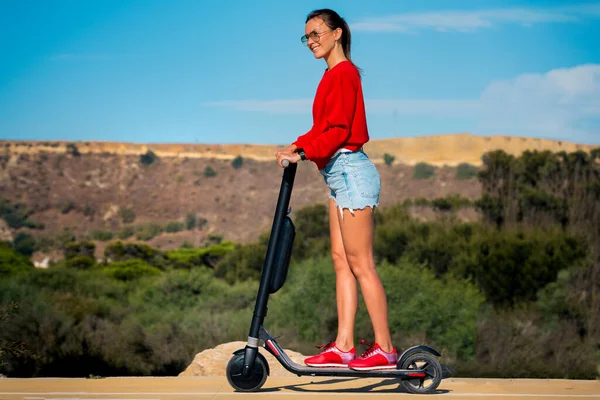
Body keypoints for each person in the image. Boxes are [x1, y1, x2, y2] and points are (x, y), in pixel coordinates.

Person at [275, 8, 397, 371]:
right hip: (337, 175)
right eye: (306, 37)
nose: (311, 41)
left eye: (316, 34)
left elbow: (340, 130)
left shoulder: (343, 74)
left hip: (351, 172)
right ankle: (344, 345)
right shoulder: (330, 75)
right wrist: (297, 146)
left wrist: (305, 151)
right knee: (341, 261)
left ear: (337, 33)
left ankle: (385, 349)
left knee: (362, 264)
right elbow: (322, 128)